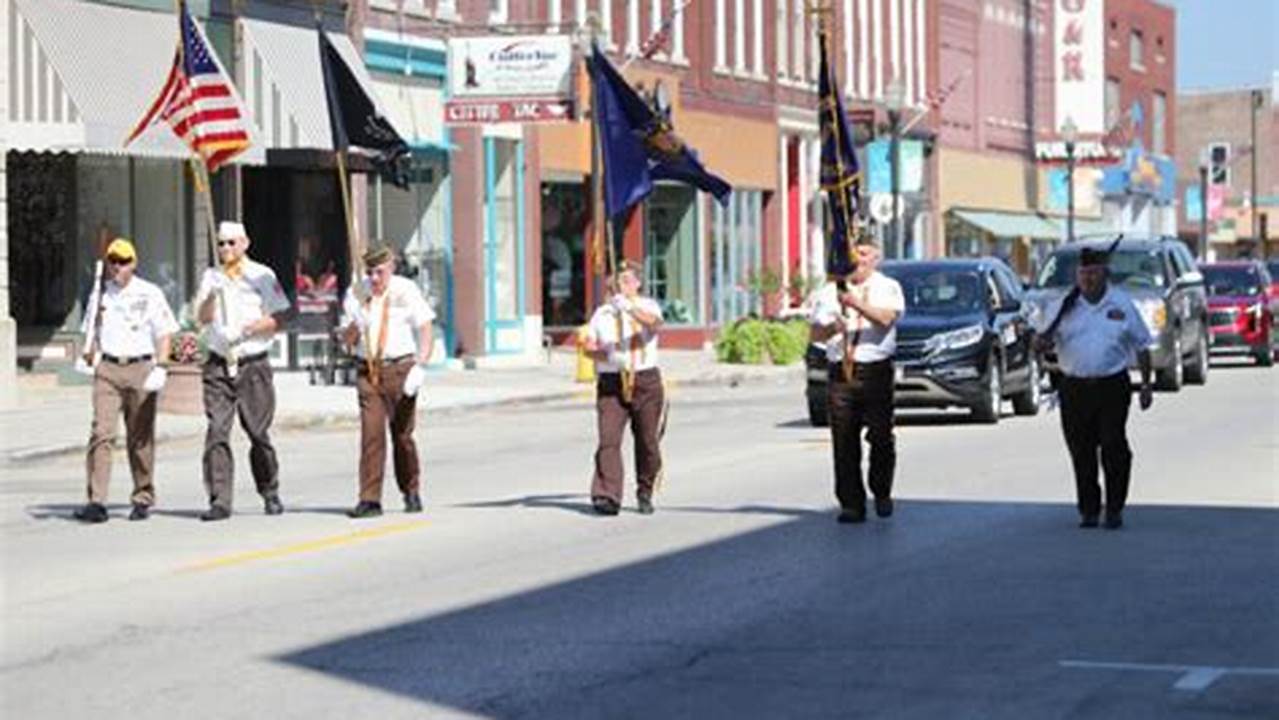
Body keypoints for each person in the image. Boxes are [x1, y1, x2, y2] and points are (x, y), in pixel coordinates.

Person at [1034, 247, 1153, 530]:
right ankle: (1089, 509)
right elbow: (1041, 341)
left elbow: (1143, 345)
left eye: (1093, 272)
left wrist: (1147, 385)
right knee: (1081, 450)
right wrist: (1039, 344)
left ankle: (1114, 508)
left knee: (1113, 446)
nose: (1087, 278)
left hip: (1112, 385)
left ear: (1104, 274)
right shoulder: (1064, 305)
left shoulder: (1121, 303)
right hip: (1074, 388)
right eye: (1083, 273)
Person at [74, 238, 178, 523]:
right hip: (108, 369)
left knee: (140, 436)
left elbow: (165, 333)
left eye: (123, 261)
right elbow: (90, 333)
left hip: (140, 368)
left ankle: (142, 495)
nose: (117, 267)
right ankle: (96, 501)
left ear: (134, 263)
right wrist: (88, 355)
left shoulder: (150, 293)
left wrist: (162, 366)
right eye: (113, 261)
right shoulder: (100, 294)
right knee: (101, 434)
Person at [195, 221, 293, 522]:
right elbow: (201, 317)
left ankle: (269, 489)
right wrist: (212, 296)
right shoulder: (212, 276)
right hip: (219, 362)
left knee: (257, 432)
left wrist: (251, 328)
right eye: (221, 244)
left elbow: (280, 317)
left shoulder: (261, 275)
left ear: (245, 243)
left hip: (252, 363)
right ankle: (219, 500)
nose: (225, 249)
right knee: (217, 432)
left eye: (231, 243)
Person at [809, 243, 905, 524]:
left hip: (875, 369)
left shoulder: (888, 287)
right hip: (842, 370)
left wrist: (856, 303)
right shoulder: (830, 291)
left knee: (881, 435)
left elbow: (886, 319)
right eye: (854, 253)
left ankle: (881, 490)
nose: (858, 260)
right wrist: (831, 328)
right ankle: (851, 503)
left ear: (876, 258)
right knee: (843, 439)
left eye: (864, 254)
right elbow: (813, 333)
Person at [340, 244, 435, 518]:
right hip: (369, 370)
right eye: (369, 272)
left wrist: (421, 364)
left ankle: (411, 489)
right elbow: (347, 342)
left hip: (400, 368)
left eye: (379, 272)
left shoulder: (405, 290)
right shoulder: (357, 293)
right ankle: (370, 499)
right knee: (371, 435)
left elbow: (425, 327)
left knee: (402, 435)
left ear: (391, 267)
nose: (374, 278)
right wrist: (355, 325)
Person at [582, 260, 666, 516]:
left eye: (628, 280)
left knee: (647, 441)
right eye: (619, 281)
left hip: (644, 380)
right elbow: (588, 347)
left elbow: (654, 324)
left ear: (638, 283)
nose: (622, 285)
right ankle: (606, 495)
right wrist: (605, 356)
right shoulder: (603, 314)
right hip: (612, 381)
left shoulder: (646, 305)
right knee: (608, 439)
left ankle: (645, 490)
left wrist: (628, 308)